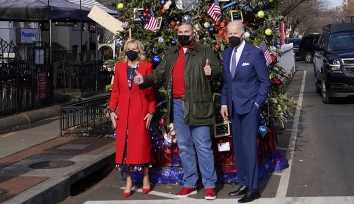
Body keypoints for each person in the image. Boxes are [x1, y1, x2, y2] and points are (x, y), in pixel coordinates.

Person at [134, 21, 222, 200]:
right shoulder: (171, 54)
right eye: (180, 31)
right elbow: (159, 75)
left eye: (186, 31)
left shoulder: (205, 51)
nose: (183, 34)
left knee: (203, 146)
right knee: (184, 146)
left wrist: (211, 72)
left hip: (199, 104)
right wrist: (145, 80)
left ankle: (210, 184)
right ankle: (190, 183)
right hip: (177, 105)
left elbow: (219, 72)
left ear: (193, 33)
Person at [220, 21, 270, 203]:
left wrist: (257, 104)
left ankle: (254, 188)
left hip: (249, 107)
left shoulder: (254, 53)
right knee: (239, 148)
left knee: (249, 148)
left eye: (235, 32)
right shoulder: (226, 53)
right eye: (229, 32)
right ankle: (244, 182)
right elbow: (227, 83)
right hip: (233, 107)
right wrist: (224, 104)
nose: (232, 35)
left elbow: (265, 81)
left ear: (242, 34)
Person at [108, 39, 156, 197]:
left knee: (141, 145)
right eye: (128, 48)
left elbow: (151, 92)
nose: (131, 51)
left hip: (140, 110)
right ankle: (128, 180)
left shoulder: (147, 67)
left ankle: (145, 177)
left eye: (134, 48)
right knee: (125, 146)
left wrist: (151, 111)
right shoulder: (120, 67)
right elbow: (115, 91)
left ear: (139, 51)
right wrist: (111, 110)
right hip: (123, 112)